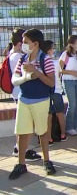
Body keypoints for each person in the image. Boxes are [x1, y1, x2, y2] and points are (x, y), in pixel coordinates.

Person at [9, 29, 56, 180]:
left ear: (35, 44)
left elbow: (51, 82)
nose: (23, 45)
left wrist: (35, 71)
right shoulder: (22, 59)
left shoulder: (45, 60)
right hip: (24, 100)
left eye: (25, 42)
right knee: (22, 132)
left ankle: (46, 160)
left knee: (42, 132)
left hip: (41, 100)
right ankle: (21, 164)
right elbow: (15, 79)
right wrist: (25, 76)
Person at [9, 28, 42, 161]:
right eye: (24, 42)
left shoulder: (12, 54)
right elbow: (27, 75)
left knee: (23, 124)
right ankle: (23, 149)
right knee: (26, 125)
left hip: (18, 93)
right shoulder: (19, 57)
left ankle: (19, 148)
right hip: (22, 93)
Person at [41, 40, 68, 143]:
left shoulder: (42, 62)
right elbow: (59, 75)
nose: (54, 50)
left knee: (48, 115)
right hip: (57, 90)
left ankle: (49, 137)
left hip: (46, 91)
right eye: (52, 48)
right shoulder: (56, 62)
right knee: (60, 113)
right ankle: (63, 134)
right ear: (48, 50)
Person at [59, 35, 77, 136]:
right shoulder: (65, 55)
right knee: (72, 104)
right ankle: (69, 127)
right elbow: (60, 69)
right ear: (71, 44)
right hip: (68, 81)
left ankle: (76, 125)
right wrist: (72, 72)